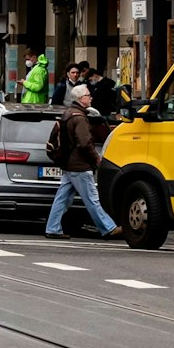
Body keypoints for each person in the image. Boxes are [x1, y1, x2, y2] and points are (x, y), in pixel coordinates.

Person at [45, 83, 121, 241]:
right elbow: (85, 143)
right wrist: (96, 158)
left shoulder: (68, 113)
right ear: (81, 98)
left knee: (62, 197)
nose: (90, 97)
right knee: (92, 198)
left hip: (68, 163)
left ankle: (53, 228)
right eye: (88, 95)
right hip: (79, 165)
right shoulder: (79, 118)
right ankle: (108, 228)